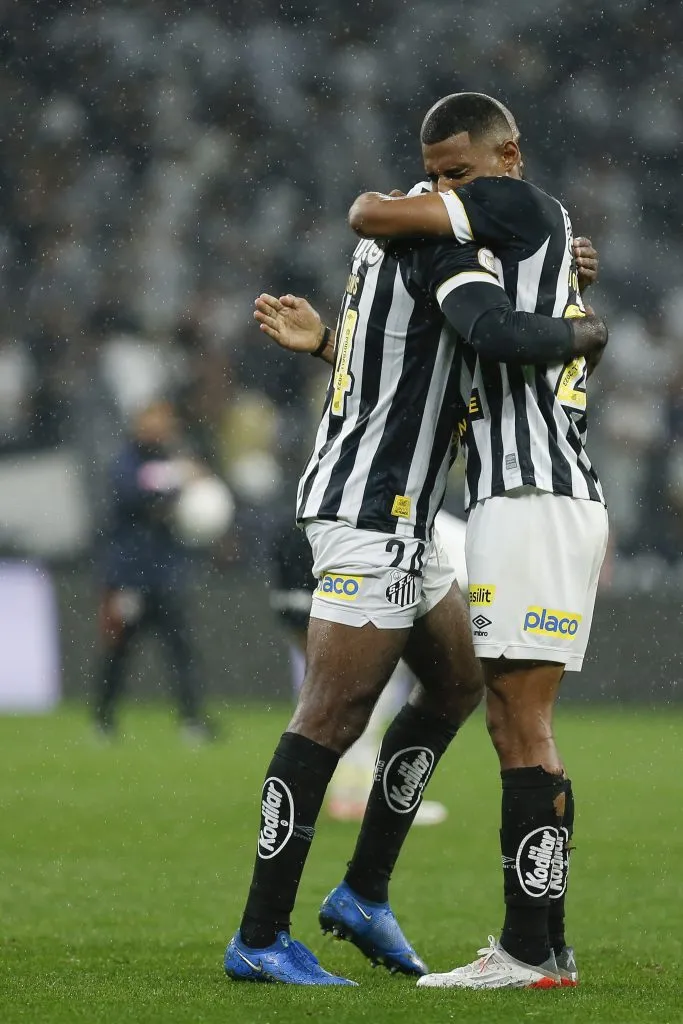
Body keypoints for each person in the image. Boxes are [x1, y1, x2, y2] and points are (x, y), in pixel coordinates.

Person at [224, 93, 607, 985]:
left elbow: (404, 369)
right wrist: (578, 323)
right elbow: (488, 334)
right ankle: (261, 933)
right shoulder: (441, 241)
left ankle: (363, 891)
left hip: (407, 510)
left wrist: (329, 348)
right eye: (440, 176)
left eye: (456, 175)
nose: (445, 186)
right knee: (329, 715)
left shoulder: (426, 231)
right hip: (368, 508)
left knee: (455, 680)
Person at [92, 400, 213, 741]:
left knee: (182, 651)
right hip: (129, 577)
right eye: (153, 419)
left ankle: (192, 720)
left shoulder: (171, 459)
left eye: (165, 419)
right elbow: (131, 493)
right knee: (118, 651)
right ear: (138, 423)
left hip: (165, 576)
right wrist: (178, 479)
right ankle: (103, 720)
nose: (160, 426)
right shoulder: (125, 461)